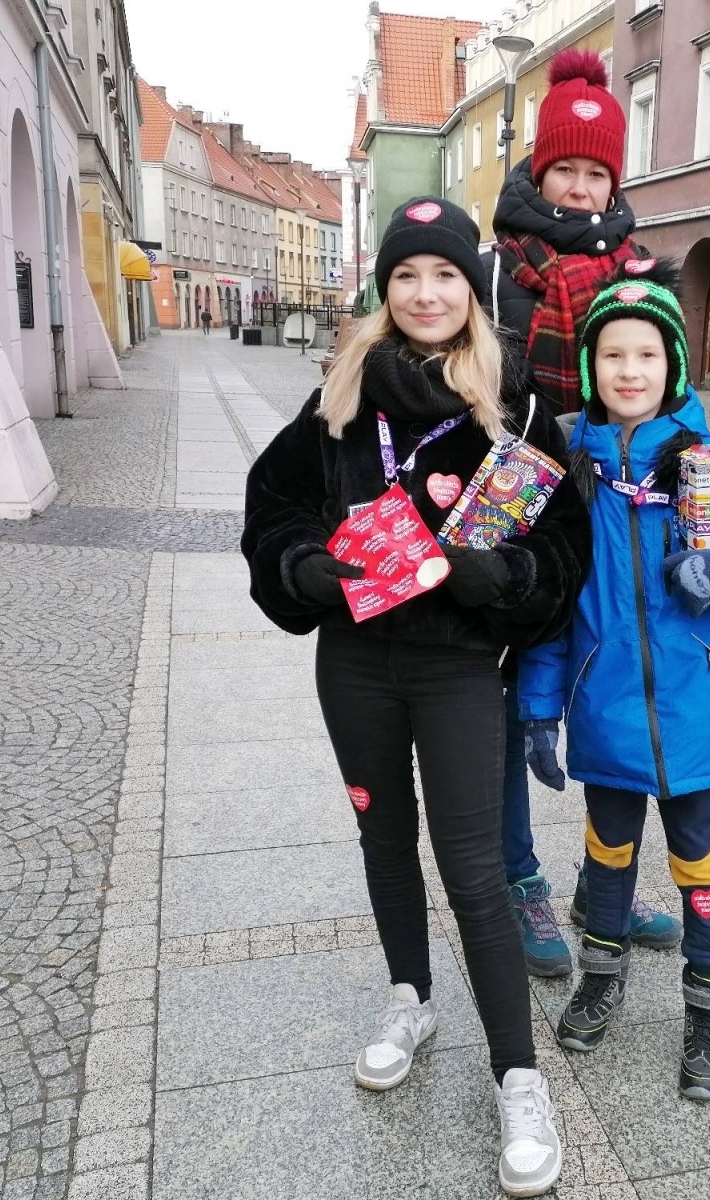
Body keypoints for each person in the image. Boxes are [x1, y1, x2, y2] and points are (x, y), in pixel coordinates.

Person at [242, 196, 590, 1195]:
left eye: (443, 275)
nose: (426, 293)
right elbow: (272, 511)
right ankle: (409, 994)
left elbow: (561, 548)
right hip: (354, 661)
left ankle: (518, 1079)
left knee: (475, 871)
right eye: (407, 276)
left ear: (468, 291)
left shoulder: (518, 409)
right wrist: (305, 568)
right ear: (384, 291)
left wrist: (500, 579)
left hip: (453, 670)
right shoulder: (339, 400)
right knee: (381, 838)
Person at [518, 267, 710, 1101]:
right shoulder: (568, 472)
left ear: (674, 363)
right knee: (606, 854)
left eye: (646, 353)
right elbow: (551, 606)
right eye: (610, 354)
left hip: (699, 715)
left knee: (699, 859)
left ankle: (708, 1001)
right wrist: (541, 707)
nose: (628, 370)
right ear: (590, 369)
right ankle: (601, 972)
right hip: (606, 712)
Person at [481, 47, 680, 976]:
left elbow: (665, 386)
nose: (578, 185)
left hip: (610, 510)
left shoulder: (644, 269)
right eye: (564, 167)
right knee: (501, 702)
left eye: (596, 171)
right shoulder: (493, 273)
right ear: (536, 169)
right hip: (515, 506)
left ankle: (602, 886)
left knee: (611, 687)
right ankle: (521, 880)